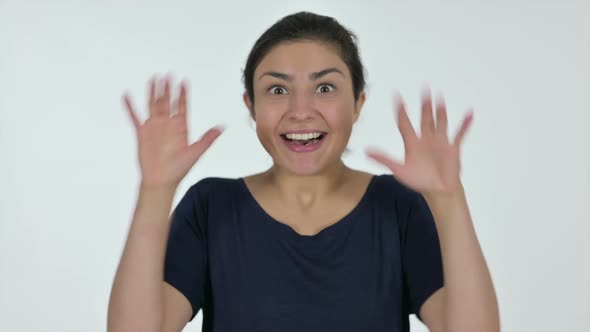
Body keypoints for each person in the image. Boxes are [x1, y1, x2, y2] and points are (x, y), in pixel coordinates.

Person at [107, 11, 500, 332]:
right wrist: (156, 190)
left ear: (358, 103)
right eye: (277, 90)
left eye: (325, 88)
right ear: (251, 106)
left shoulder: (397, 208)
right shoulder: (211, 207)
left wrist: (448, 199)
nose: (300, 109)